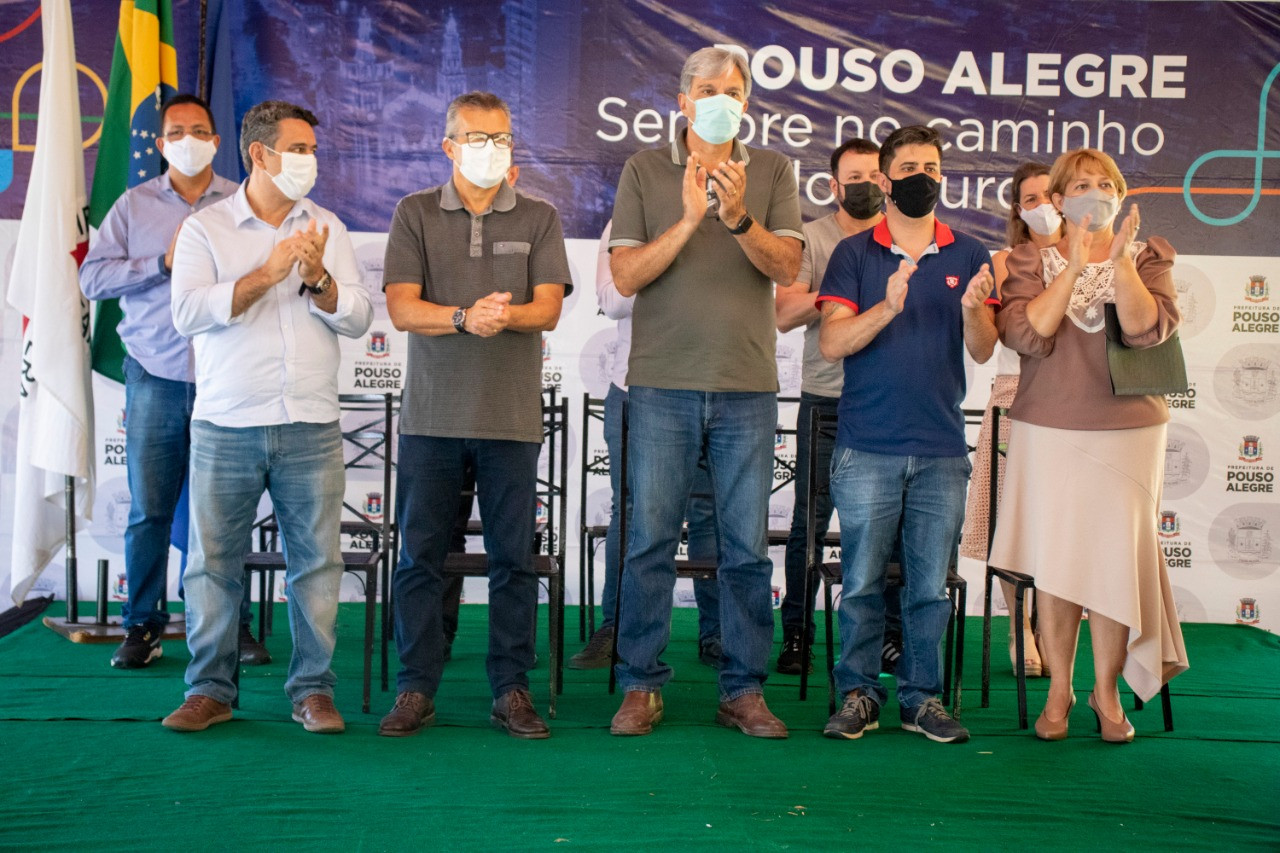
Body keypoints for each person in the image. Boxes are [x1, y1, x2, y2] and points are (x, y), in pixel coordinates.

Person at [608, 47, 803, 738]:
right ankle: (639, 684)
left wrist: (739, 215)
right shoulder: (642, 169)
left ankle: (744, 688)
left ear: (747, 101)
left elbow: (787, 264)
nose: (723, 98)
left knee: (746, 547)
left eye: (735, 89)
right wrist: (691, 217)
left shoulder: (774, 170)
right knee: (650, 541)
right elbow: (625, 275)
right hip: (661, 384)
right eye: (709, 88)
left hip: (747, 388)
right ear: (684, 99)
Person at [161, 99, 373, 733]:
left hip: (309, 422)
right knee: (211, 564)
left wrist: (319, 279)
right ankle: (211, 692)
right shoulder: (205, 229)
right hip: (226, 422)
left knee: (316, 566)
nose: (309, 160)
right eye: (299, 149)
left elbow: (359, 317)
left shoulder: (327, 226)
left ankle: (313, 690)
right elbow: (188, 314)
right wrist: (267, 272)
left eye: (312, 150)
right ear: (260, 154)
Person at [378, 91, 571, 740]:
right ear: (449, 145)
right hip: (431, 418)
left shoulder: (540, 216)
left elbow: (547, 308)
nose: (492, 149)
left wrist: (502, 315)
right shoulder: (415, 214)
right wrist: (465, 316)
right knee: (422, 556)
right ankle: (415, 687)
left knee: (514, 559)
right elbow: (404, 309)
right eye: (478, 137)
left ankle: (511, 689)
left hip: (511, 421)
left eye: (503, 138)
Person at [989, 148, 1189, 743]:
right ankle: (1059, 692)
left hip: (1131, 430)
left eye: (1106, 183)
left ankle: (1106, 693)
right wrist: (1073, 266)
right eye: (1080, 185)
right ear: (1056, 200)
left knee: (1111, 561)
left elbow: (1146, 329)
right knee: (1056, 561)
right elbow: (1029, 333)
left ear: (1120, 195)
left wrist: (1120, 263)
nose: (1094, 192)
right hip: (1048, 427)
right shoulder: (1026, 259)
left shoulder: (1150, 257)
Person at [816, 124, 997, 744]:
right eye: (910, 166)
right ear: (886, 179)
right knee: (862, 583)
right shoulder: (855, 254)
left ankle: (922, 698)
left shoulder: (971, 254)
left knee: (927, 588)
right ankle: (857, 693)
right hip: (867, 447)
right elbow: (833, 341)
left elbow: (982, 347)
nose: (923, 175)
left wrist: (975, 311)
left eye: (932, 166)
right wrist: (887, 307)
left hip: (942, 449)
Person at [80, 94, 270, 670]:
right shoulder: (135, 205)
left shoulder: (242, 203)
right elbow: (92, 277)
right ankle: (142, 625)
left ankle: (228, 625)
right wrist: (158, 264)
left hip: (227, 377)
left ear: (217, 141)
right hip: (158, 376)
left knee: (225, 512)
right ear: (160, 145)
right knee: (151, 509)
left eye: (201, 131)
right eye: (177, 132)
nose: (190, 140)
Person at [570, 220, 722, 671]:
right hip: (635, 386)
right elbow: (613, 301)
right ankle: (616, 626)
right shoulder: (625, 224)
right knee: (631, 511)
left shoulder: (728, 214)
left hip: (713, 387)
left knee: (708, 512)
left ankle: (715, 633)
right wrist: (669, 246)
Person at [773, 138, 884, 675]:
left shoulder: (900, 237)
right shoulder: (812, 238)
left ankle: (883, 638)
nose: (864, 186)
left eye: (873, 176)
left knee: (885, 527)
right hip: (825, 403)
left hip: (887, 402)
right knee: (808, 526)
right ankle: (796, 633)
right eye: (853, 177)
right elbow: (783, 311)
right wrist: (835, 297)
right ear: (834, 186)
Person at [959, 161, 1063, 678]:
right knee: (1010, 522)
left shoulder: (1095, 257)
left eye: (1049, 193)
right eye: (1030, 198)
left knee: (1061, 524)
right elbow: (999, 337)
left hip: (1075, 405)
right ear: (1018, 211)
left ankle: (1053, 626)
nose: (1042, 204)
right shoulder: (1004, 261)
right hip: (1016, 397)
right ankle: (1016, 625)